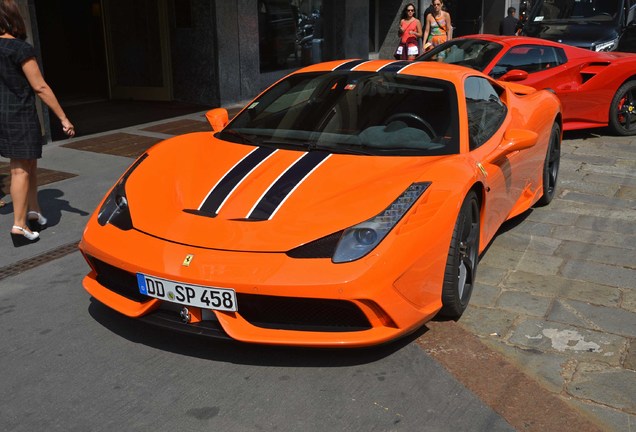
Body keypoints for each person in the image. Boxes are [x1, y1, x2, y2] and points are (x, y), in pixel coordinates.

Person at [0, 0, 75, 247]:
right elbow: (40, 86)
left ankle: (33, 212)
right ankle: (19, 226)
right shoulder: (20, 49)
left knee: (29, 165)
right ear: (14, 18)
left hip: (6, 114)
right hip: (19, 115)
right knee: (20, 169)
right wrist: (63, 118)